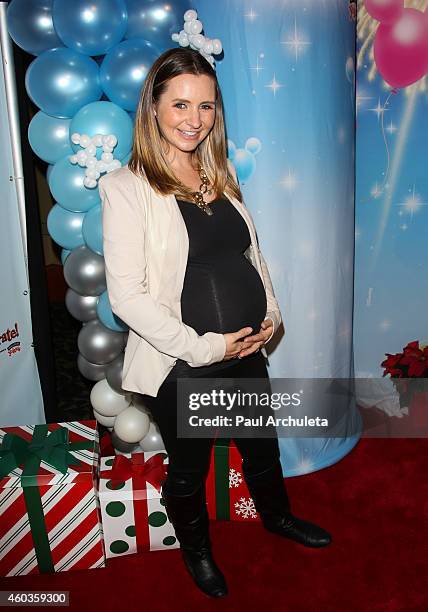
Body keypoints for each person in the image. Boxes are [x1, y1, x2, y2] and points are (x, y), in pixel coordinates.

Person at [99, 47, 331, 599]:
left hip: (246, 349)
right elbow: (127, 298)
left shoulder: (216, 170)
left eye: (205, 106)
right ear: (153, 107)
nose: (193, 120)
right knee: (187, 469)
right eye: (179, 104)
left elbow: (250, 255)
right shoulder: (125, 188)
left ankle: (277, 517)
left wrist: (271, 312)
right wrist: (206, 348)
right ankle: (197, 554)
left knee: (261, 445)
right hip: (184, 364)